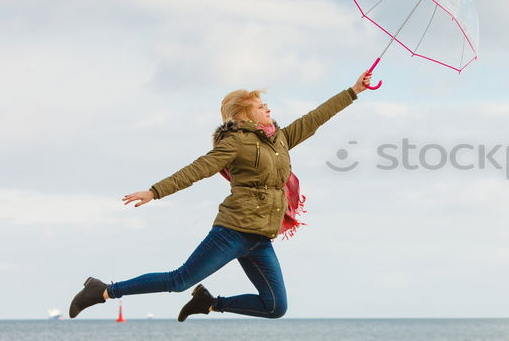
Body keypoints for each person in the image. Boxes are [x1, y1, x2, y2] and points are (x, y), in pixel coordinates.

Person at [69, 70, 374, 321]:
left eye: (266, 104)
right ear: (244, 116)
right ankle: (104, 290)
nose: (268, 108)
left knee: (275, 307)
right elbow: (198, 169)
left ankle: (209, 303)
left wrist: (354, 90)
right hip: (232, 231)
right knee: (179, 280)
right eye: (260, 106)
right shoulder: (236, 143)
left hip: (260, 238)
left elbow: (316, 118)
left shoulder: (280, 139)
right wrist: (155, 191)